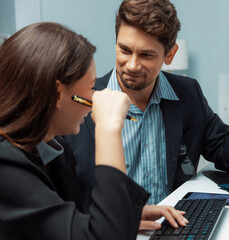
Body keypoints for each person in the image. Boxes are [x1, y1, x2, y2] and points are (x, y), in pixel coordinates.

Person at [65, 0, 229, 214]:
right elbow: (63, 204)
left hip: (174, 228)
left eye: (146, 55)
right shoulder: (81, 101)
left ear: (170, 55)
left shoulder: (187, 94)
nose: (132, 65)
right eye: (125, 50)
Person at [0, 22, 188, 239]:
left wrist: (127, 215)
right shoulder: (6, 164)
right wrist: (109, 129)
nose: (95, 96)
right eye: (91, 88)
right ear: (58, 94)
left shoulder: (56, 151)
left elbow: (66, 223)